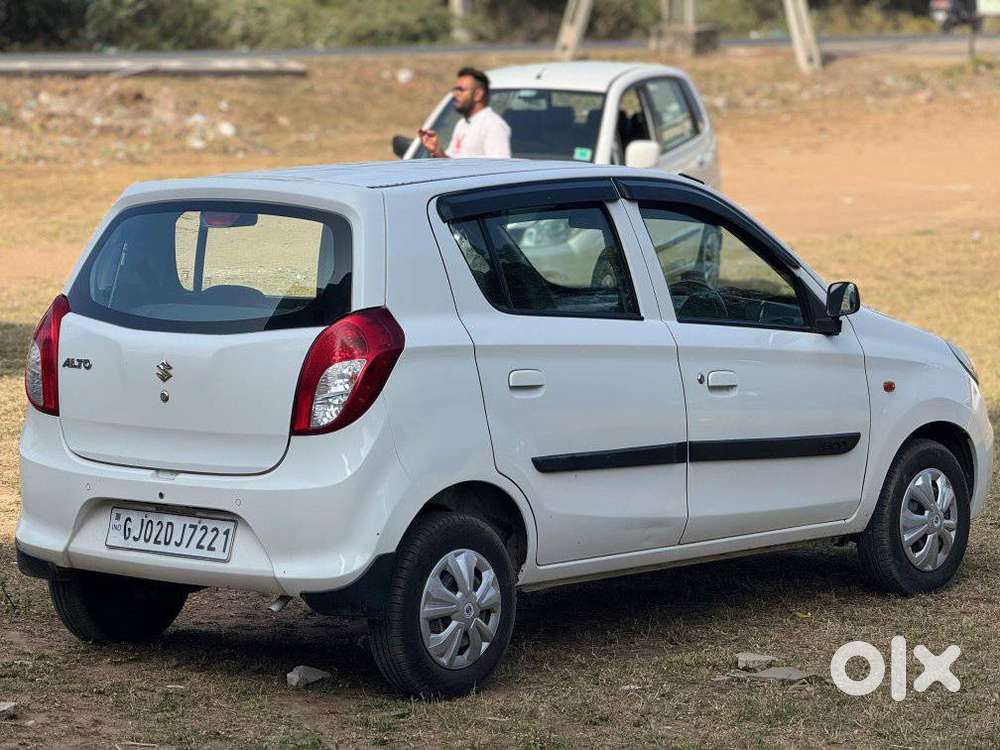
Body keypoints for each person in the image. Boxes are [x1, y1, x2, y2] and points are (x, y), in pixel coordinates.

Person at [419, 67, 511, 159]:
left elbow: (500, 168)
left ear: (478, 94)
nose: (455, 95)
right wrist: (437, 151)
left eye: (461, 90)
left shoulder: (493, 125)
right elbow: (453, 164)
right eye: (455, 90)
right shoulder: (462, 124)